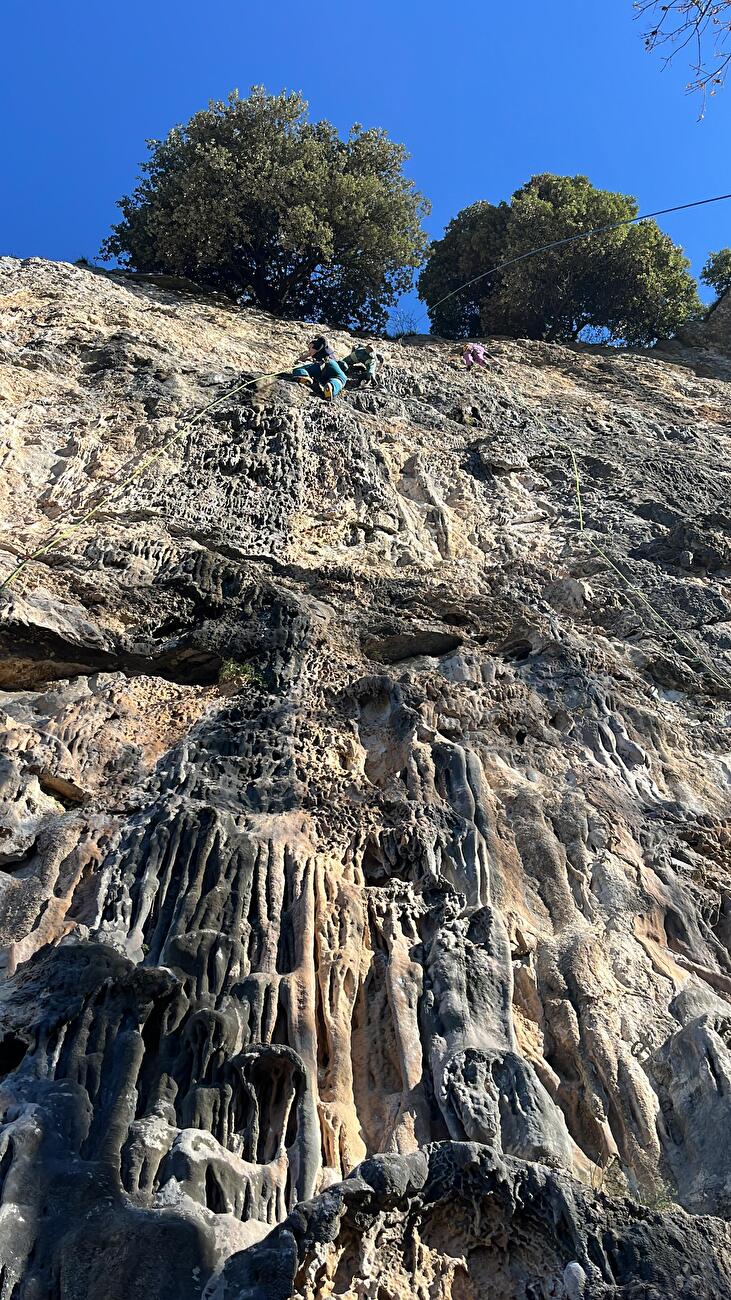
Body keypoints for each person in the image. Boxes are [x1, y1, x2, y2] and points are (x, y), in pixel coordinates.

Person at [292, 336, 347, 401]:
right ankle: (331, 387)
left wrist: (314, 348)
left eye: (310, 348)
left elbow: (323, 340)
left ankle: (303, 375)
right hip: (329, 371)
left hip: (323, 364)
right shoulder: (325, 354)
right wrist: (307, 356)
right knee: (341, 378)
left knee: (299, 368)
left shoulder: (321, 346)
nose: (309, 350)